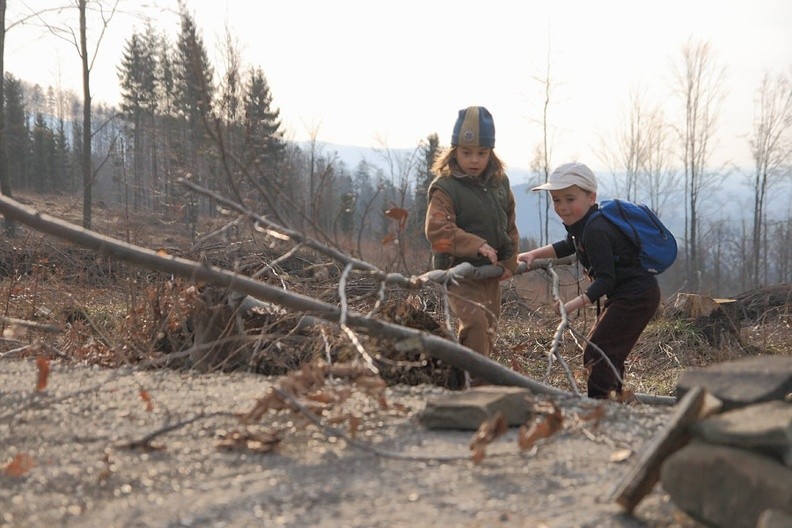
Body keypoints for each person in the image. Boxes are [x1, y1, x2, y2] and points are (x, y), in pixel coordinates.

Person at [517, 162, 661, 399]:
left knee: (598, 351)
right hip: (630, 295)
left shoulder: (596, 229)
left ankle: (602, 409)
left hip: (636, 297)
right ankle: (613, 401)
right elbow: (568, 245)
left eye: (570, 199)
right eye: (557, 200)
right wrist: (534, 254)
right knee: (604, 351)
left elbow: (606, 279)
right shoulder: (584, 225)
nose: (562, 207)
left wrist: (571, 305)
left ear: (591, 197)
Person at [424, 106, 520, 384]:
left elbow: (509, 225)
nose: (474, 160)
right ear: (454, 151)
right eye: (467, 153)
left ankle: (472, 381)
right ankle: (474, 386)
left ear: (491, 152)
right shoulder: (446, 187)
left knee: (488, 328)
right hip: (460, 274)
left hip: (491, 275)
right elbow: (437, 230)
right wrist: (476, 245)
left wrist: (509, 261)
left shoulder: (500, 184)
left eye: (481, 153)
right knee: (475, 323)